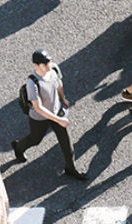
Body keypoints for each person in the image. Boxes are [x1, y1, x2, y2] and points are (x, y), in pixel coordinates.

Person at [13, 50, 83, 178]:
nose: (48, 66)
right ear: (36, 65)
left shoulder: (54, 69)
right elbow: (38, 108)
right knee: (35, 139)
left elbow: (59, 85)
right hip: (40, 118)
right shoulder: (32, 83)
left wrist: (63, 98)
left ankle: (71, 167)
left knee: (66, 141)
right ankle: (18, 146)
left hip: (56, 111)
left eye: (49, 62)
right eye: (44, 64)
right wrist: (58, 119)